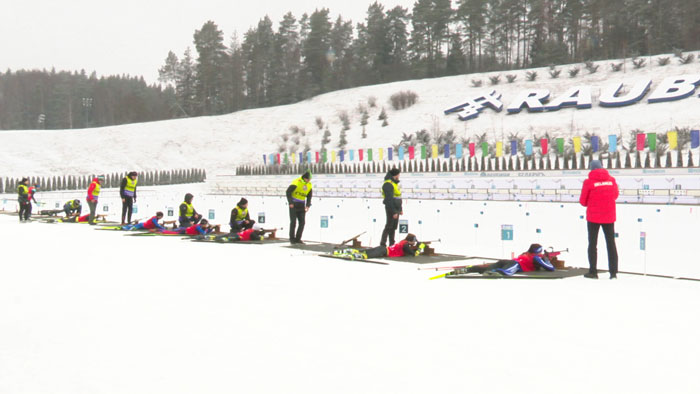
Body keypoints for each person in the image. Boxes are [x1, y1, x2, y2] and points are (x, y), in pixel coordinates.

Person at [580, 159, 619, 279]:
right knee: (611, 244)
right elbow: (615, 195)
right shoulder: (612, 180)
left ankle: (593, 271)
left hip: (593, 217)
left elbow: (583, 201)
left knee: (592, 244)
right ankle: (613, 272)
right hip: (609, 216)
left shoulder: (588, 182)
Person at [452, 244, 554, 276]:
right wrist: (546, 260)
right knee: (506, 271)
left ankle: (468, 270)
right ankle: (496, 273)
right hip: (516, 264)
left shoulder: (525, 254)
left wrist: (545, 258)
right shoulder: (537, 257)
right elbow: (550, 268)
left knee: (488, 268)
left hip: (509, 261)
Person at [334, 234, 424, 260]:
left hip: (383, 249)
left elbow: (407, 249)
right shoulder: (405, 245)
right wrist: (420, 247)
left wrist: (415, 246)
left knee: (365, 252)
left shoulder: (403, 242)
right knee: (367, 256)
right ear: (411, 241)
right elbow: (414, 254)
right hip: (384, 252)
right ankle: (352, 255)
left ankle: (347, 251)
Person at [286, 171, 312, 244]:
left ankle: (298, 238)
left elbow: (309, 196)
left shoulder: (309, 185)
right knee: (293, 222)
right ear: (304, 178)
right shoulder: (296, 182)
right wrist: (290, 202)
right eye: (308, 179)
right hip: (293, 204)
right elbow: (288, 192)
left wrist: (308, 205)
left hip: (301, 205)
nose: (309, 181)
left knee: (302, 222)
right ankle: (292, 238)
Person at [380, 168, 402, 246]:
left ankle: (392, 244)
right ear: (395, 175)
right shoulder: (388, 184)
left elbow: (398, 197)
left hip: (396, 208)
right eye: (398, 174)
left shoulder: (394, 183)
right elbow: (388, 200)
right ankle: (383, 244)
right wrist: (394, 212)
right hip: (391, 208)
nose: (399, 176)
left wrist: (400, 209)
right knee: (389, 226)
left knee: (393, 227)